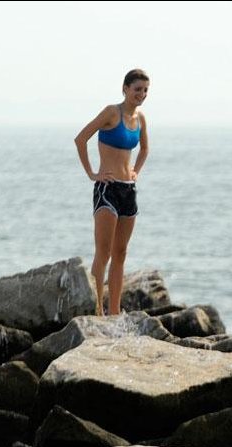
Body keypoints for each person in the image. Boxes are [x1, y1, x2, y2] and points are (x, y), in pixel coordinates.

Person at [74, 69, 150, 315]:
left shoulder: (140, 118)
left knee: (121, 253)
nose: (142, 94)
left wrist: (135, 171)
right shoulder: (111, 112)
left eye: (145, 90)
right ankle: (97, 309)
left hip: (129, 190)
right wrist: (92, 174)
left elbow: (145, 150)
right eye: (137, 89)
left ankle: (114, 313)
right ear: (125, 89)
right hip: (107, 189)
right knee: (104, 252)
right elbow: (81, 139)